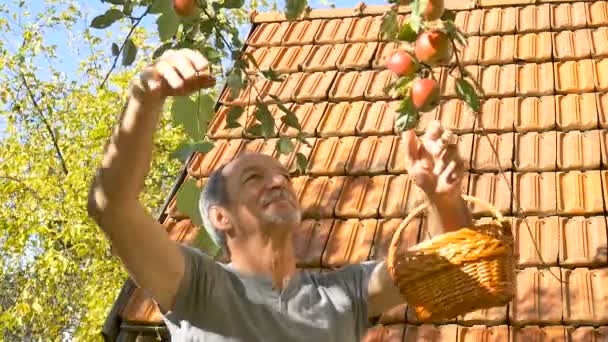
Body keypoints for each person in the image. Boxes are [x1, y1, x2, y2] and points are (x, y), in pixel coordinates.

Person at [87, 49, 473, 341]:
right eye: (254, 177)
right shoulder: (200, 286)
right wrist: (145, 95)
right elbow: (111, 205)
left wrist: (442, 197)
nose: (278, 183)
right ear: (221, 217)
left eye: (283, 176)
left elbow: (448, 269)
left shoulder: (346, 293)